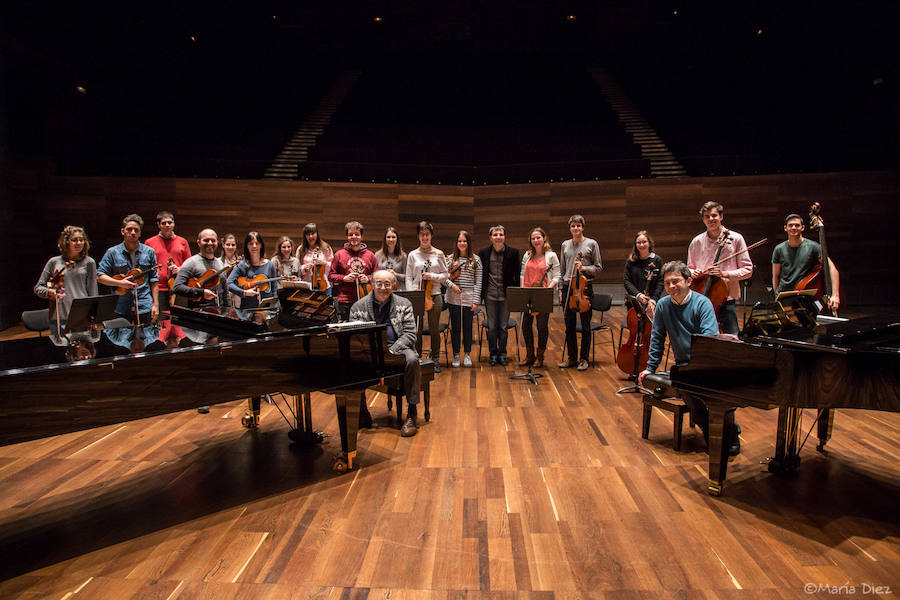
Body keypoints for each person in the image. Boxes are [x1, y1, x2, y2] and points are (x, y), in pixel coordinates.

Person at [638, 261, 741, 456]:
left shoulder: (702, 303)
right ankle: (711, 433)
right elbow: (657, 338)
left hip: (708, 363)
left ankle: (732, 432)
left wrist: (698, 367)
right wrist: (650, 368)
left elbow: (708, 340)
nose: (671, 287)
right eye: (667, 283)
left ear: (689, 281)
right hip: (685, 366)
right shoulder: (663, 305)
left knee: (717, 393)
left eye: (676, 281)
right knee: (689, 393)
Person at [350, 270, 422, 437]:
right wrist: (376, 353)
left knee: (412, 360)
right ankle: (362, 412)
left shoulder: (404, 304)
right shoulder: (358, 307)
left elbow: (411, 334)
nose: (383, 287)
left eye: (387, 284)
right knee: (354, 361)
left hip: (397, 348)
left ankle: (412, 413)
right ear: (372, 285)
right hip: (370, 350)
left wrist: (391, 351)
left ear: (393, 285)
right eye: (379, 284)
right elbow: (356, 336)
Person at [687, 201, 752, 334]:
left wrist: (725, 274)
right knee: (702, 339)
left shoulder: (736, 239)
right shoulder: (696, 242)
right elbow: (689, 268)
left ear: (721, 216)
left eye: (714, 215)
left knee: (732, 338)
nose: (711, 219)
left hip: (725, 299)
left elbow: (748, 270)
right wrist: (694, 272)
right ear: (703, 219)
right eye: (707, 216)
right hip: (701, 297)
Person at [97, 214, 160, 324]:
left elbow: (154, 281)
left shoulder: (149, 252)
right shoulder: (112, 252)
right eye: (129, 229)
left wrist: (156, 305)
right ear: (123, 231)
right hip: (120, 306)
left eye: (136, 230)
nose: (133, 233)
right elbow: (99, 276)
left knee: (143, 338)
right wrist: (120, 283)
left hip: (144, 305)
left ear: (140, 233)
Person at [558, 215, 602, 371]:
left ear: (583, 227)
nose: (575, 229)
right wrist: (560, 289)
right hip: (568, 287)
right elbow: (562, 269)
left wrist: (584, 268)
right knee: (569, 325)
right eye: (573, 226)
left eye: (578, 226)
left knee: (585, 325)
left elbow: (598, 267)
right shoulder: (565, 245)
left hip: (584, 287)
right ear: (569, 228)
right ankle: (571, 357)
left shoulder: (591, 244)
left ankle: (584, 358)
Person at [772, 213, 841, 311]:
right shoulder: (779, 249)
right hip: (784, 296)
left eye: (797, 225)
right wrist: (777, 296)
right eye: (790, 225)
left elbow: (832, 269)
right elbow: (775, 276)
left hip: (804, 297)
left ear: (803, 228)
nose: (794, 227)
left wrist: (835, 295)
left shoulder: (813, 247)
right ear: (785, 228)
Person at [34, 225, 98, 329]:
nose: (79, 243)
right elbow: (38, 288)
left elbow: (93, 292)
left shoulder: (89, 262)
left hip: (82, 317)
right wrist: (49, 293)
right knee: (62, 345)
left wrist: (94, 317)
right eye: (74, 240)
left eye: (81, 240)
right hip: (59, 317)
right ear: (66, 241)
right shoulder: (54, 262)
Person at [406, 221, 449, 371]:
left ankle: (435, 358)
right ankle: (416, 358)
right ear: (418, 236)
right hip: (417, 295)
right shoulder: (412, 254)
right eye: (422, 234)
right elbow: (409, 276)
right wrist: (413, 293)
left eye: (427, 234)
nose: (425, 237)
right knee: (416, 328)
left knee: (434, 328)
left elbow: (445, 275)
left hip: (435, 294)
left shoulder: (438, 254)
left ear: (431, 235)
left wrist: (432, 276)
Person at [477, 225, 520, 366]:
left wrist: (515, 294)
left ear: (504, 236)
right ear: (490, 237)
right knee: (491, 327)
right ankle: (493, 354)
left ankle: (502, 353)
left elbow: (517, 275)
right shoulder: (483, 253)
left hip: (505, 297)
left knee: (503, 327)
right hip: (490, 296)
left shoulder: (513, 253)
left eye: (500, 234)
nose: (498, 237)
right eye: (495, 234)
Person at [519, 227, 560, 368]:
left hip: (543, 294)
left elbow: (557, 276)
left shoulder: (551, 256)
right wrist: (522, 290)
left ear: (544, 239)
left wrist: (549, 289)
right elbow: (522, 274)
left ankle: (540, 357)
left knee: (542, 326)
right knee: (526, 326)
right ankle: (529, 355)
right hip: (528, 294)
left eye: (538, 237)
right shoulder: (527, 255)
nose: (536, 240)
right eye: (533, 238)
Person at [445, 230, 482, 368]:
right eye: (460, 241)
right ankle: (456, 355)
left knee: (467, 327)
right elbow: (444, 278)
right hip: (453, 297)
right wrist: (452, 285)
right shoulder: (450, 259)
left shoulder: (476, 259)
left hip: (469, 296)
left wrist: (476, 300)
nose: (462, 243)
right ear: (456, 243)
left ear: (468, 243)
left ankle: (467, 354)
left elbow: (478, 281)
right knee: (455, 327)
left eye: (464, 241)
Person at [329, 221, 378, 321]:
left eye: (357, 234)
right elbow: (331, 276)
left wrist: (368, 278)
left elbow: (377, 276)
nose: (354, 237)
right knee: (346, 333)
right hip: (345, 300)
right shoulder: (339, 254)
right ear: (347, 237)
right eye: (351, 234)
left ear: (361, 236)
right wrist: (344, 278)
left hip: (366, 299)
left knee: (367, 332)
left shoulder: (370, 255)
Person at [144, 211, 191, 313]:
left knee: (178, 322)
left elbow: (189, 265)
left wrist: (180, 269)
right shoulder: (149, 242)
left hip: (179, 288)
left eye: (170, 222)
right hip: (158, 289)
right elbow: (146, 267)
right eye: (164, 223)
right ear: (158, 225)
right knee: (160, 322)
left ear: (173, 224)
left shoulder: (183, 242)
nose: (167, 225)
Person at [173, 228, 231, 308]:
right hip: (198, 314)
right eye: (206, 240)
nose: (210, 243)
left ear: (217, 242)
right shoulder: (191, 263)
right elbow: (177, 287)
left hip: (219, 313)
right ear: (199, 243)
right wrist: (201, 292)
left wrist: (229, 311)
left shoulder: (220, 264)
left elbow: (225, 293)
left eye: (213, 240)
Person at [227, 232, 279, 310]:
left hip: (267, 310)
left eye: (257, 243)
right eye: (251, 244)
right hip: (248, 309)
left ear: (261, 245)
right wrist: (243, 292)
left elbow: (274, 289)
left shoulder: (269, 265)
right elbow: (228, 283)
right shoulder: (242, 265)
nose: (254, 246)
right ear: (247, 246)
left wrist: (275, 307)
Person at [624, 230, 664, 321]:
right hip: (634, 302)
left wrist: (653, 300)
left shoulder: (657, 260)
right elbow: (627, 281)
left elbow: (660, 282)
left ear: (649, 243)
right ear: (635, 244)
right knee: (634, 329)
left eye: (644, 242)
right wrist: (638, 295)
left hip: (651, 302)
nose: (641, 245)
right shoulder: (631, 261)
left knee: (651, 331)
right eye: (638, 242)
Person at [296, 223, 333, 292]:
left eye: (313, 233)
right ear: (305, 236)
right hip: (306, 286)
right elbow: (296, 268)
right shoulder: (300, 249)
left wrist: (324, 263)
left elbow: (333, 266)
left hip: (323, 286)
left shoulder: (326, 248)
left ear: (317, 234)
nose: (310, 236)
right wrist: (304, 268)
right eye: (308, 234)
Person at [375, 226, 407, 290]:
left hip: (399, 290)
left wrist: (395, 274)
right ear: (385, 239)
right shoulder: (378, 255)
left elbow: (407, 277)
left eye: (393, 237)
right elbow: (374, 276)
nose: (391, 239)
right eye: (388, 237)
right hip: (382, 290)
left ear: (397, 239)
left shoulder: (403, 256)